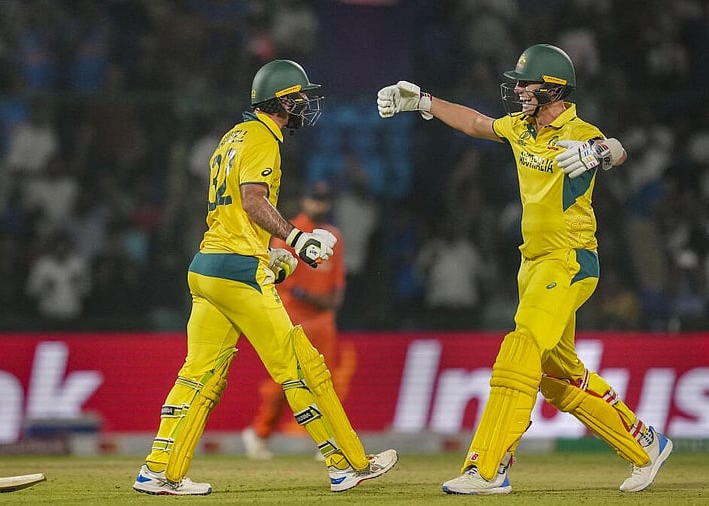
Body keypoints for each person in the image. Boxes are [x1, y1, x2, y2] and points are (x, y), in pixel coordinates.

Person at [377, 43, 672, 494]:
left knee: (521, 348)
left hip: (569, 260)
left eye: (526, 84)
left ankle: (488, 467)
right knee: (558, 378)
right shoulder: (520, 127)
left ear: (553, 89)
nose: (517, 91)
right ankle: (645, 444)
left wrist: (601, 153)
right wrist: (424, 102)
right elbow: (476, 124)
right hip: (532, 264)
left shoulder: (580, 132)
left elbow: (616, 149)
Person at [133, 59, 398, 496]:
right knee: (301, 365)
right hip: (238, 271)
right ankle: (347, 464)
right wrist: (297, 238)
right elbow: (253, 200)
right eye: (299, 98)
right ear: (282, 101)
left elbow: (235, 215)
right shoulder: (262, 139)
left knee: (198, 375)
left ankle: (159, 471)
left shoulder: (232, 136)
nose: (304, 106)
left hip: (208, 267)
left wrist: (274, 258)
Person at [242, 181, 355, 460]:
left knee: (325, 382)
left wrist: (328, 302)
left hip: (323, 321)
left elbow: (337, 284)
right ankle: (260, 433)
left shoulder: (333, 236)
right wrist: (311, 298)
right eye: (314, 199)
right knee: (285, 382)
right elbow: (282, 283)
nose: (319, 204)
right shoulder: (289, 233)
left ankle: (331, 438)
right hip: (292, 318)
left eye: (324, 200)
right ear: (304, 201)